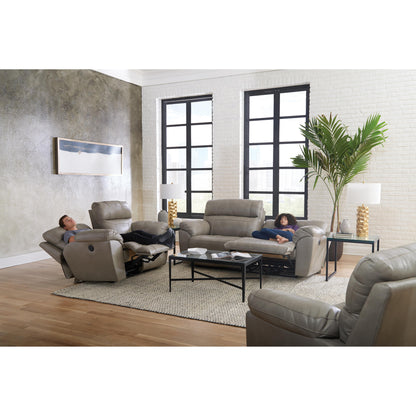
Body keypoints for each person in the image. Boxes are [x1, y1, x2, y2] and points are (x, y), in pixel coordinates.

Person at [59, 214, 175, 248]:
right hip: (104, 241)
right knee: (134, 236)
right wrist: (89, 235)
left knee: (137, 232)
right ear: (65, 227)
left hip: (107, 236)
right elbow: (72, 241)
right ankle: (160, 240)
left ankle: (160, 240)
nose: (71, 219)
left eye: (70, 218)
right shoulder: (68, 233)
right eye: (67, 220)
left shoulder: (84, 228)